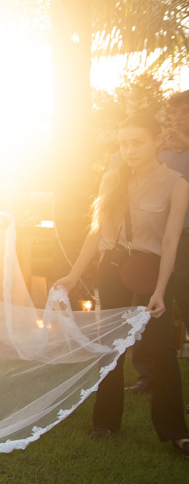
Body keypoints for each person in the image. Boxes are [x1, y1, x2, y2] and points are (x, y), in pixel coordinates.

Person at [54, 112, 189, 457]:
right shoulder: (112, 178)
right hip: (111, 266)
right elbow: (96, 230)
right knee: (110, 345)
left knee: (160, 349)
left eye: (137, 142)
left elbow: (172, 240)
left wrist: (160, 290)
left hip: (150, 269)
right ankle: (106, 422)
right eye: (123, 143)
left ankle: (175, 430)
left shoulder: (177, 183)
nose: (129, 150)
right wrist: (74, 275)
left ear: (157, 141)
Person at [128, 89, 189, 394]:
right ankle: (147, 374)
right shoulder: (158, 150)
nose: (178, 118)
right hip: (154, 240)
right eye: (174, 113)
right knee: (146, 300)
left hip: (186, 238)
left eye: (186, 112)